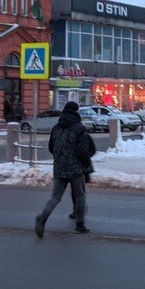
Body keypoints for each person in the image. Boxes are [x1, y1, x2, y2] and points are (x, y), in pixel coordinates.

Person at [34, 101, 96, 238]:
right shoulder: (79, 128)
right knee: (80, 196)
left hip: (59, 168)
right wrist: (85, 165)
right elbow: (83, 151)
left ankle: (42, 216)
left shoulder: (56, 127)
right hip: (76, 169)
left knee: (55, 196)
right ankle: (80, 224)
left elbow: (51, 147)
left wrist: (61, 158)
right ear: (76, 112)